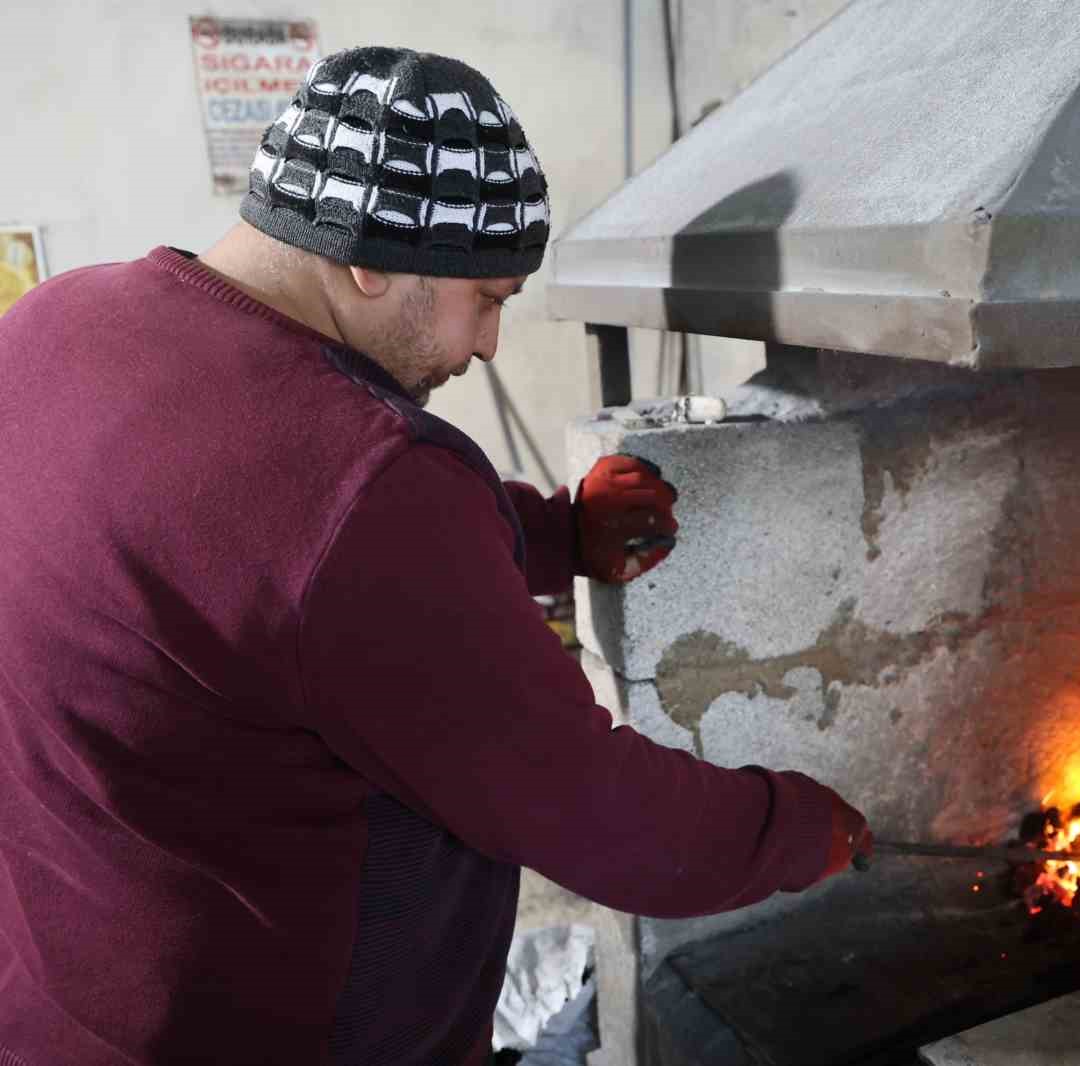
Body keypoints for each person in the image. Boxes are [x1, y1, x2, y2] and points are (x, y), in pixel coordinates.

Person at [0, 46, 870, 1066]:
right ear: (367, 255)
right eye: (487, 298)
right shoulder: (363, 478)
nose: (488, 345)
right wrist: (798, 829)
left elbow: (263, 570)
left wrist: (549, 533)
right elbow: (597, 813)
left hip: (61, 1004)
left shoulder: (49, 325)